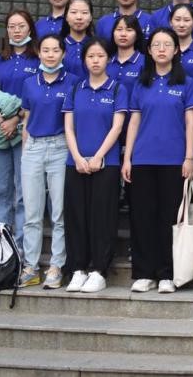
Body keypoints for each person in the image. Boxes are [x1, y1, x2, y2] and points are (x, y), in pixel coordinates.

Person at [122, 28, 193, 294]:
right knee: (142, 217)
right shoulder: (141, 83)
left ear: (176, 50)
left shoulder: (187, 83)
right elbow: (134, 122)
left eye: (167, 44)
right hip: (143, 159)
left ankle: (167, 273)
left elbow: (191, 123)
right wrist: (127, 158)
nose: (162, 49)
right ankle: (144, 273)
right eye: (157, 45)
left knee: (169, 218)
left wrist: (190, 157)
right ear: (149, 50)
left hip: (175, 160)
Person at [62, 37, 127, 294]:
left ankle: (99, 270)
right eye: (91, 56)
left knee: (102, 217)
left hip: (106, 163)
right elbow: (69, 127)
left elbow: (117, 127)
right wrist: (78, 157)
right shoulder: (75, 88)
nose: (96, 60)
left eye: (100, 56)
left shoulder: (117, 89)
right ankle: (78, 269)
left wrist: (99, 156)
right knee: (76, 217)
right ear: (84, 60)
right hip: (75, 162)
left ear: (108, 59)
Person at [17, 33, 74, 289]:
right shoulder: (29, 83)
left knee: (59, 212)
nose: (50, 55)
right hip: (33, 147)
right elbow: (27, 117)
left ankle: (56, 265)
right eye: (46, 50)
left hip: (60, 147)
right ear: (39, 53)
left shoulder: (73, 82)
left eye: (55, 50)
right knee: (32, 212)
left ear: (63, 53)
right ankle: (31, 266)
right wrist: (26, 147)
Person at [0, 9, 38, 243]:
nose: (16, 31)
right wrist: (2, 122)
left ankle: (19, 242)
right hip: (0, 132)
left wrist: (16, 119)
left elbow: (37, 98)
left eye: (21, 26)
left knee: (23, 189)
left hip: (25, 131)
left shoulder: (38, 60)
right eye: (12, 26)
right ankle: (1, 241)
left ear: (30, 29)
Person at [106, 14, 147, 90]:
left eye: (129, 30)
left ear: (137, 35)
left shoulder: (145, 62)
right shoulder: (107, 62)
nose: (123, 34)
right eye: (119, 29)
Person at [62, 0, 96, 77]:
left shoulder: (96, 46)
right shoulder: (58, 45)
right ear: (66, 16)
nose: (79, 17)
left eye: (84, 13)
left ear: (91, 17)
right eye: (74, 12)